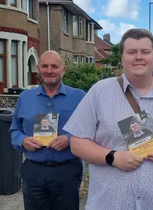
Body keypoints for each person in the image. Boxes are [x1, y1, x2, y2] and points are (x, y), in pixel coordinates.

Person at [63, 28, 153, 210]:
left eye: (145, 52)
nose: (139, 57)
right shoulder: (100, 92)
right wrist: (112, 157)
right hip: (110, 204)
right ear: (122, 57)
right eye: (131, 52)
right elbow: (77, 142)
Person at [10, 50, 86, 210]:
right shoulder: (25, 98)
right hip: (33, 171)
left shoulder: (79, 97)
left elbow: (91, 130)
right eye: (44, 66)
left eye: (54, 66)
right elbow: (15, 130)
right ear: (38, 68)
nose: (49, 70)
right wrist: (23, 141)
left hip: (67, 169)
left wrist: (70, 139)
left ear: (63, 69)